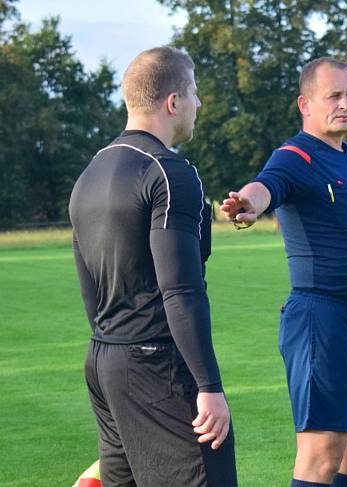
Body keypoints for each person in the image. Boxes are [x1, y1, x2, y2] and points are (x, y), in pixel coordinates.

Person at [219, 57, 347, 487]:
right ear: (305, 104)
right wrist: (247, 205)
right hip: (324, 320)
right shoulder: (296, 155)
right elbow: (266, 186)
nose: (345, 104)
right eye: (333, 96)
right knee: (321, 454)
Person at [69, 46, 236, 486]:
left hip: (104, 360)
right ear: (173, 101)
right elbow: (180, 290)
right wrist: (209, 385)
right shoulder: (168, 172)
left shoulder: (91, 173)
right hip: (157, 364)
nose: (198, 104)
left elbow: (89, 287)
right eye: (195, 93)